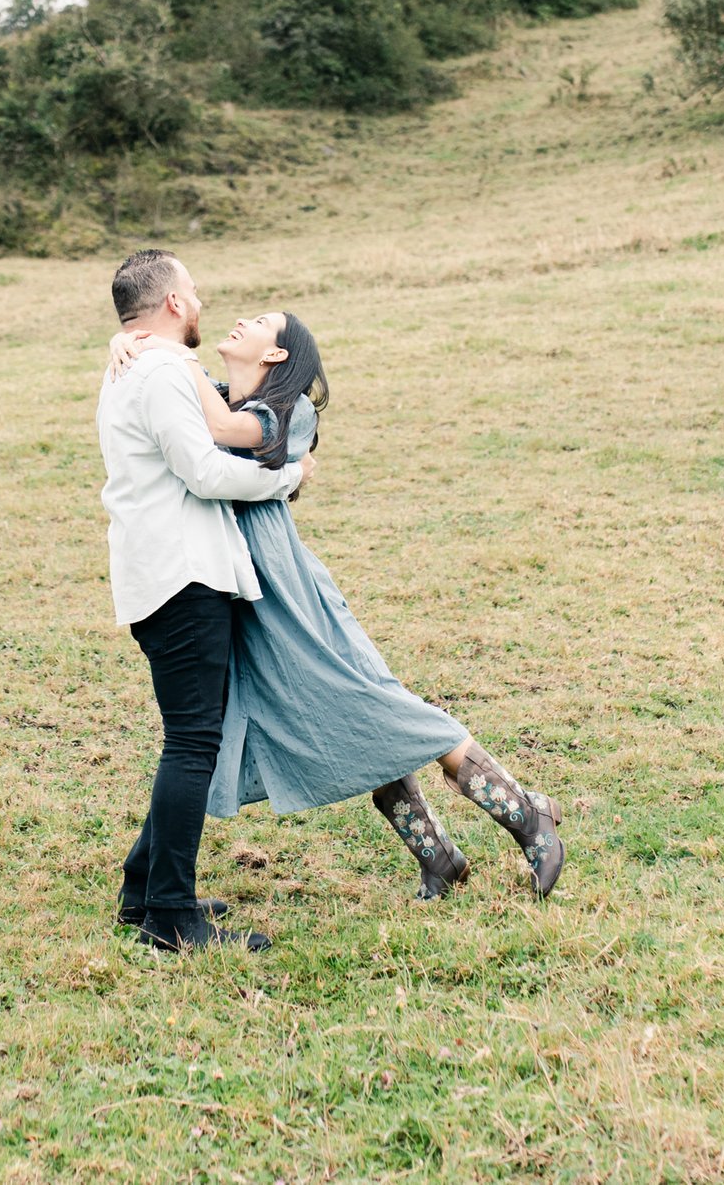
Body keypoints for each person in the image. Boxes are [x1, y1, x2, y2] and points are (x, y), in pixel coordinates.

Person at [107, 309, 566, 902]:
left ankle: (529, 815)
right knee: (351, 714)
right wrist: (132, 344)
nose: (240, 320)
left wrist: (163, 353)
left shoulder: (287, 413)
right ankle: (439, 857)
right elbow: (185, 413)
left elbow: (221, 431)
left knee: (368, 702)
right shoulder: (215, 394)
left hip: (287, 590)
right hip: (240, 588)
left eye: (260, 322)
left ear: (276, 356)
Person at [96, 249, 312, 953]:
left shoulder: (137, 366)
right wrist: (289, 478)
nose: (203, 298)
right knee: (192, 743)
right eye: (193, 290)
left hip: (165, 573)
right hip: (182, 577)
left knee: (191, 737)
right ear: (173, 306)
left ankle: (143, 890)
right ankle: (171, 915)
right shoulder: (158, 370)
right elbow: (204, 470)